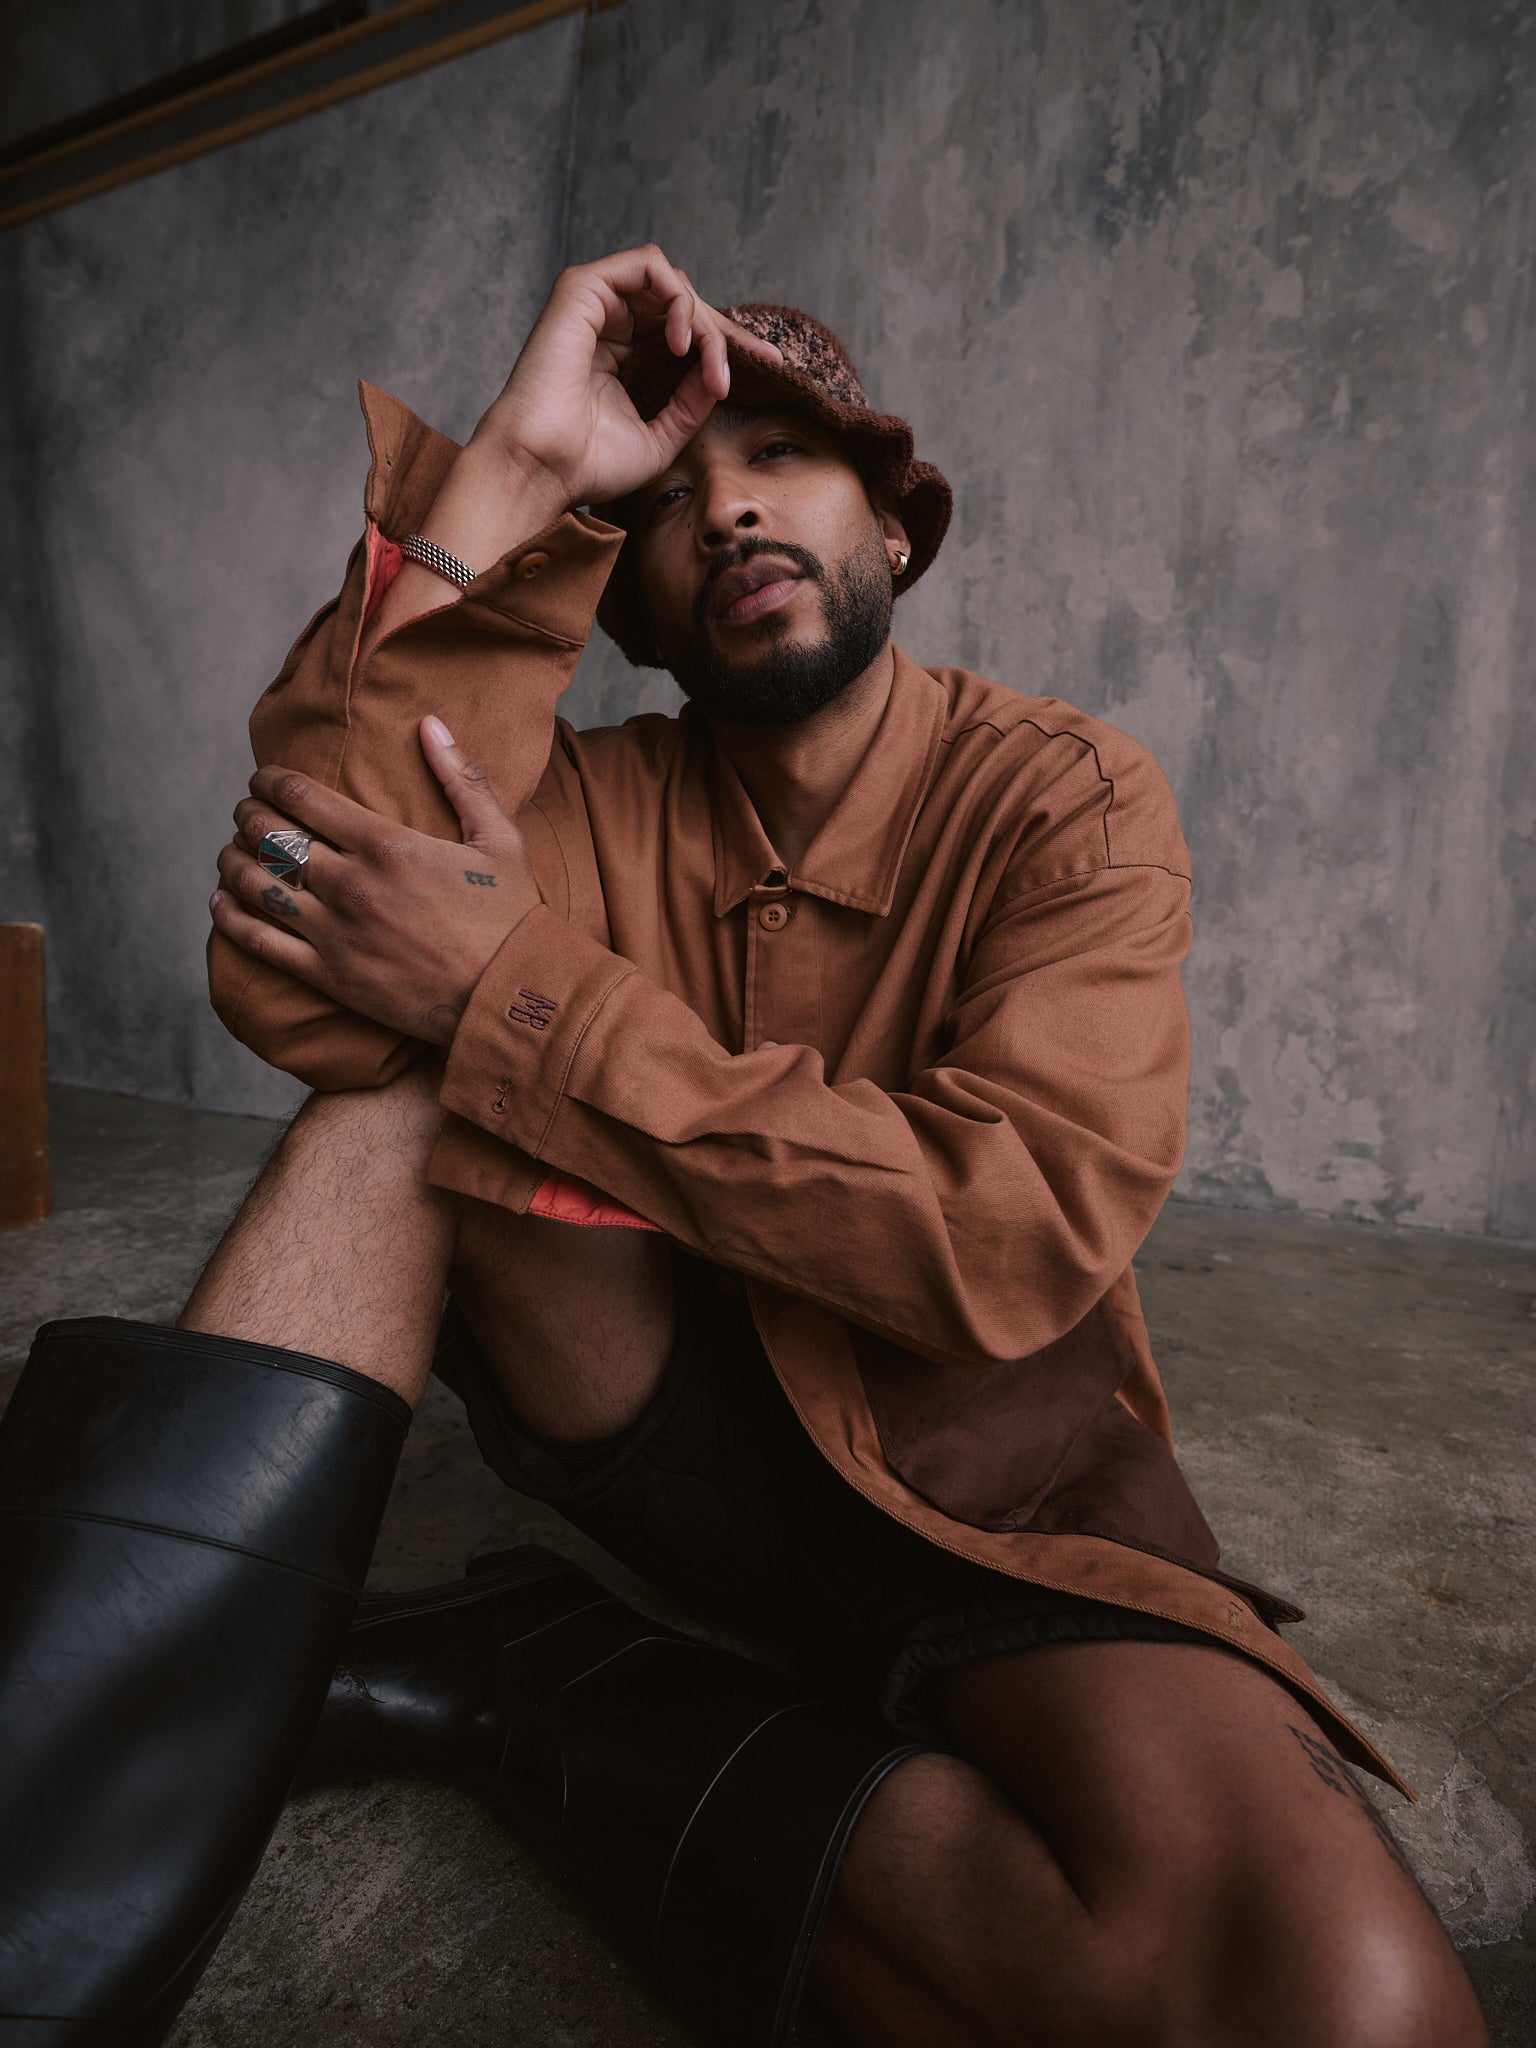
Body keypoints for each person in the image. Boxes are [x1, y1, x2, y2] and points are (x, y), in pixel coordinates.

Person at [0, 248, 1486, 2048]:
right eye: (671, 496)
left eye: (782, 456)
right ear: (631, 604)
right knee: (391, 1095)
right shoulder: (588, 804)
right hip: (653, 1422)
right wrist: (514, 475)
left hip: (989, 1479)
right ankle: (33, 1919)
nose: (727, 508)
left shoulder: (1067, 793)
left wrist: (513, 986)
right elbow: (296, 983)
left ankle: (533, 1679)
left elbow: (1008, 1233)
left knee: (1350, 2010)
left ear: (895, 528)